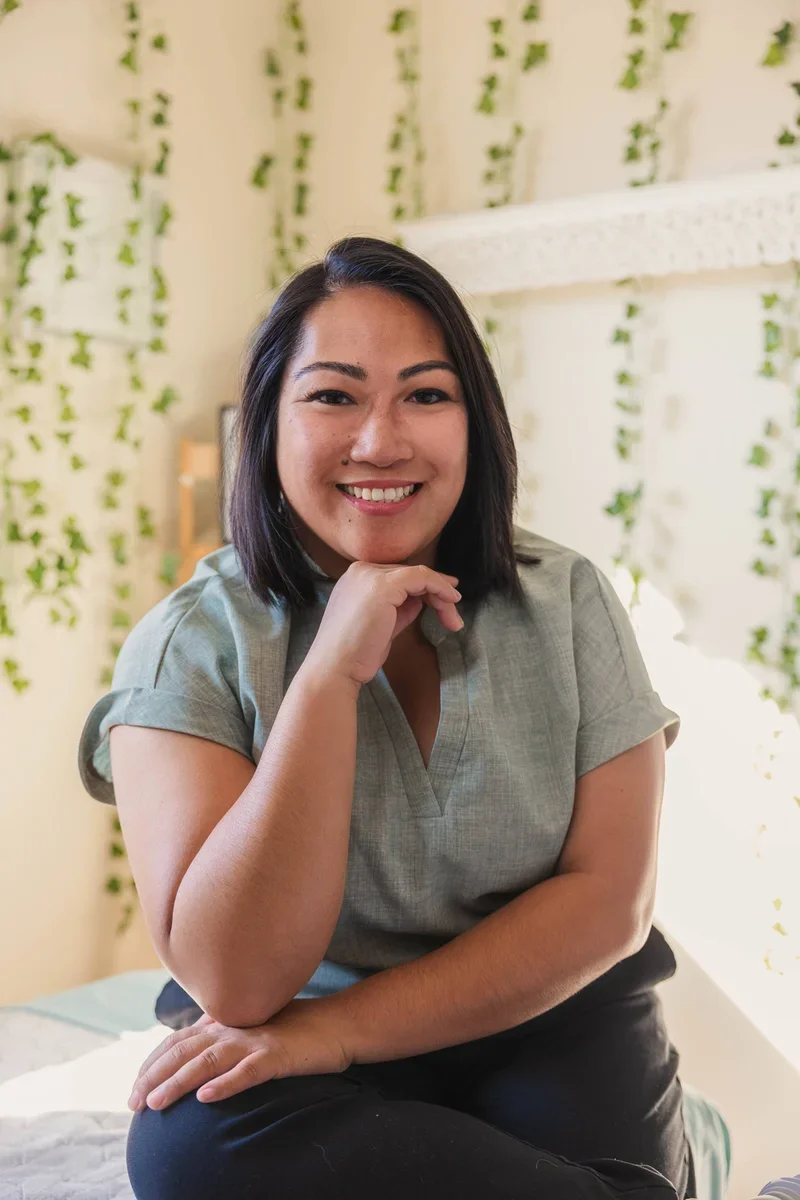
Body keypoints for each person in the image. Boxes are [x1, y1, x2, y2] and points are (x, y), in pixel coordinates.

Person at [78, 235, 694, 1200]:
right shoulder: (188, 644)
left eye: (426, 393)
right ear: (268, 426)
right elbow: (235, 986)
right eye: (333, 396)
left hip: (550, 1017)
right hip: (284, 1021)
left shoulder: (567, 600)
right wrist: (327, 676)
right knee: (189, 1149)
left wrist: (339, 1032)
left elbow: (611, 900)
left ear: (475, 423)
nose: (381, 440)